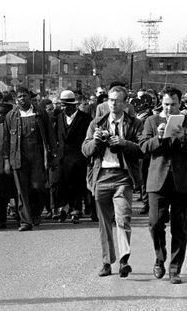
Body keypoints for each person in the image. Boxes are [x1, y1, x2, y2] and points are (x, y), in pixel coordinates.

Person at [82, 86, 143, 278]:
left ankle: (124, 260)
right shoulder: (97, 123)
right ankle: (107, 262)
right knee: (104, 223)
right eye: (110, 99)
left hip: (123, 177)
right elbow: (85, 149)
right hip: (101, 176)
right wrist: (96, 142)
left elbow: (142, 148)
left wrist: (123, 143)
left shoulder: (134, 124)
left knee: (123, 218)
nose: (113, 103)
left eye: (117, 100)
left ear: (125, 103)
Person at [139, 86, 187, 284]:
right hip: (157, 180)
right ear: (161, 103)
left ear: (180, 104)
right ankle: (160, 257)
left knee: (180, 227)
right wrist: (159, 138)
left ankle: (175, 269)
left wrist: (183, 138)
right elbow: (143, 146)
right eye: (166, 104)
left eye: (173, 104)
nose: (169, 108)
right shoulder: (151, 120)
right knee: (155, 223)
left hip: (181, 181)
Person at [3, 87, 57, 231]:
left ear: (29, 97)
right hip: (18, 157)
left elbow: (50, 135)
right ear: (16, 99)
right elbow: (6, 140)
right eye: (19, 96)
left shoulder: (40, 113)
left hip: (38, 156)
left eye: (25, 96)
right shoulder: (10, 116)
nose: (22, 99)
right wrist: (7, 160)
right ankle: (25, 221)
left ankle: (35, 213)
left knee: (38, 187)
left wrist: (53, 155)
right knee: (22, 190)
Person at [54, 90, 92, 224]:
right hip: (63, 157)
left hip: (78, 158)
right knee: (62, 184)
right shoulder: (59, 117)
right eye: (62, 105)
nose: (63, 108)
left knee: (77, 185)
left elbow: (89, 139)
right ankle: (63, 208)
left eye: (65, 105)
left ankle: (76, 210)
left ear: (73, 105)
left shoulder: (85, 119)